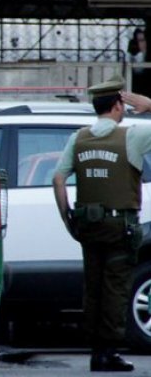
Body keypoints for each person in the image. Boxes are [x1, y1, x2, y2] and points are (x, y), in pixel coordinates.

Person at [52, 76, 151, 372]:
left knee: (93, 287)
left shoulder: (78, 137)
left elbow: (58, 179)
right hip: (119, 226)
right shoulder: (130, 136)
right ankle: (108, 352)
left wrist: (68, 217)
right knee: (115, 288)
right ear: (119, 106)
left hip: (87, 224)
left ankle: (96, 350)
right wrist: (148, 105)